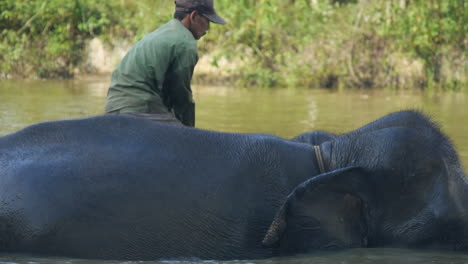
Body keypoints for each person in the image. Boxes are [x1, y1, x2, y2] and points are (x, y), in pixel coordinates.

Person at [105, 0, 226, 127]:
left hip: (113, 106)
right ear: (194, 17)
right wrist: (190, 132)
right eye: (207, 21)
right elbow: (181, 97)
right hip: (138, 108)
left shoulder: (167, 30)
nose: (208, 28)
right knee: (182, 139)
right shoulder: (186, 43)